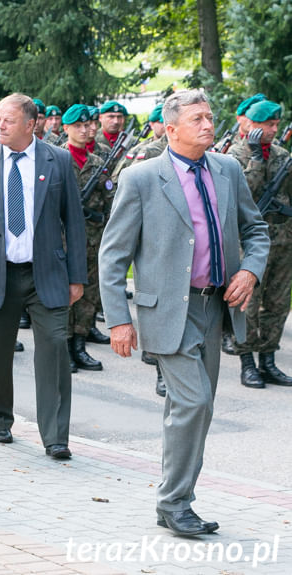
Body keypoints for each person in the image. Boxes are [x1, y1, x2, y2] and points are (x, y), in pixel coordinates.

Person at [99, 89, 269, 536]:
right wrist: (119, 318)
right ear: (171, 130)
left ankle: (173, 500)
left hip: (217, 306)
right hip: (168, 310)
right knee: (193, 403)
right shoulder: (141, 179)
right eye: (197, 119)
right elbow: (112, 256)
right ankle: (175, 503)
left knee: (197, 407)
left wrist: (250, 271)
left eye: (209, 117)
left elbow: (256, 229)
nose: (209, 125)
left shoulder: (228, 170)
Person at [0, 93, 87, 459]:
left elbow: (74, 222)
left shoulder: (56, 160)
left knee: (55, 351)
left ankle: (56, 436)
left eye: (9, 120)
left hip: (46, 273)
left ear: (31, 124)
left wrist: (78, 276)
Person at [227, 100, 292, 388]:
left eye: (277, 125)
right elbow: (243, 197)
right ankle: (247, 362)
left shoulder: (281, 154)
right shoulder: (234, 155)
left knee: (277, 304)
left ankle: (268, 360)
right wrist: (256, 159)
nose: (274, 130)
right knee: (248, 304)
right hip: (249, 244)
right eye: (269, 125)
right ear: (252, 125)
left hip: (283, 239)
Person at [60, 105, 114, 372]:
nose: (85, 130)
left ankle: (80, 345)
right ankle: (64, 347)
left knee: (88, 294)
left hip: (91, 241)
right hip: (62, 242)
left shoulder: (97, 163)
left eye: (88, 125)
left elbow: (108, 204)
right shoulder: (56, 160)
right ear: (66, 128)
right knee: (64, 295)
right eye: (78, 126)